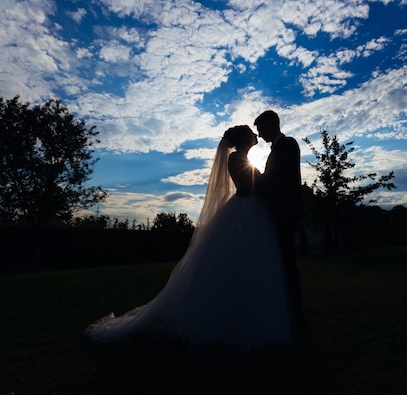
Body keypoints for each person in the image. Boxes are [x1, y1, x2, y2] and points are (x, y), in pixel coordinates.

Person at [84, 125, 293, 351]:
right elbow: (246, 186)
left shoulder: (242, 158)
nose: (255, 135)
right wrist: (265, 183)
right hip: (244, 212)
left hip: (250, 213)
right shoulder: (235, 158)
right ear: (243, 138)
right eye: (251, 133)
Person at [253, 110, 306, 339]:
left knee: (287, 260)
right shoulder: (276, 150)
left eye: (261, 128)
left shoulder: (288, 145)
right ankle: (287, 307)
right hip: (277, 212)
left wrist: (253, 177)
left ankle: (295, 309)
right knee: (281, 260)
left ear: (272, 124)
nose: (259, 134)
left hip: (285, 212)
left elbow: (278, 179)